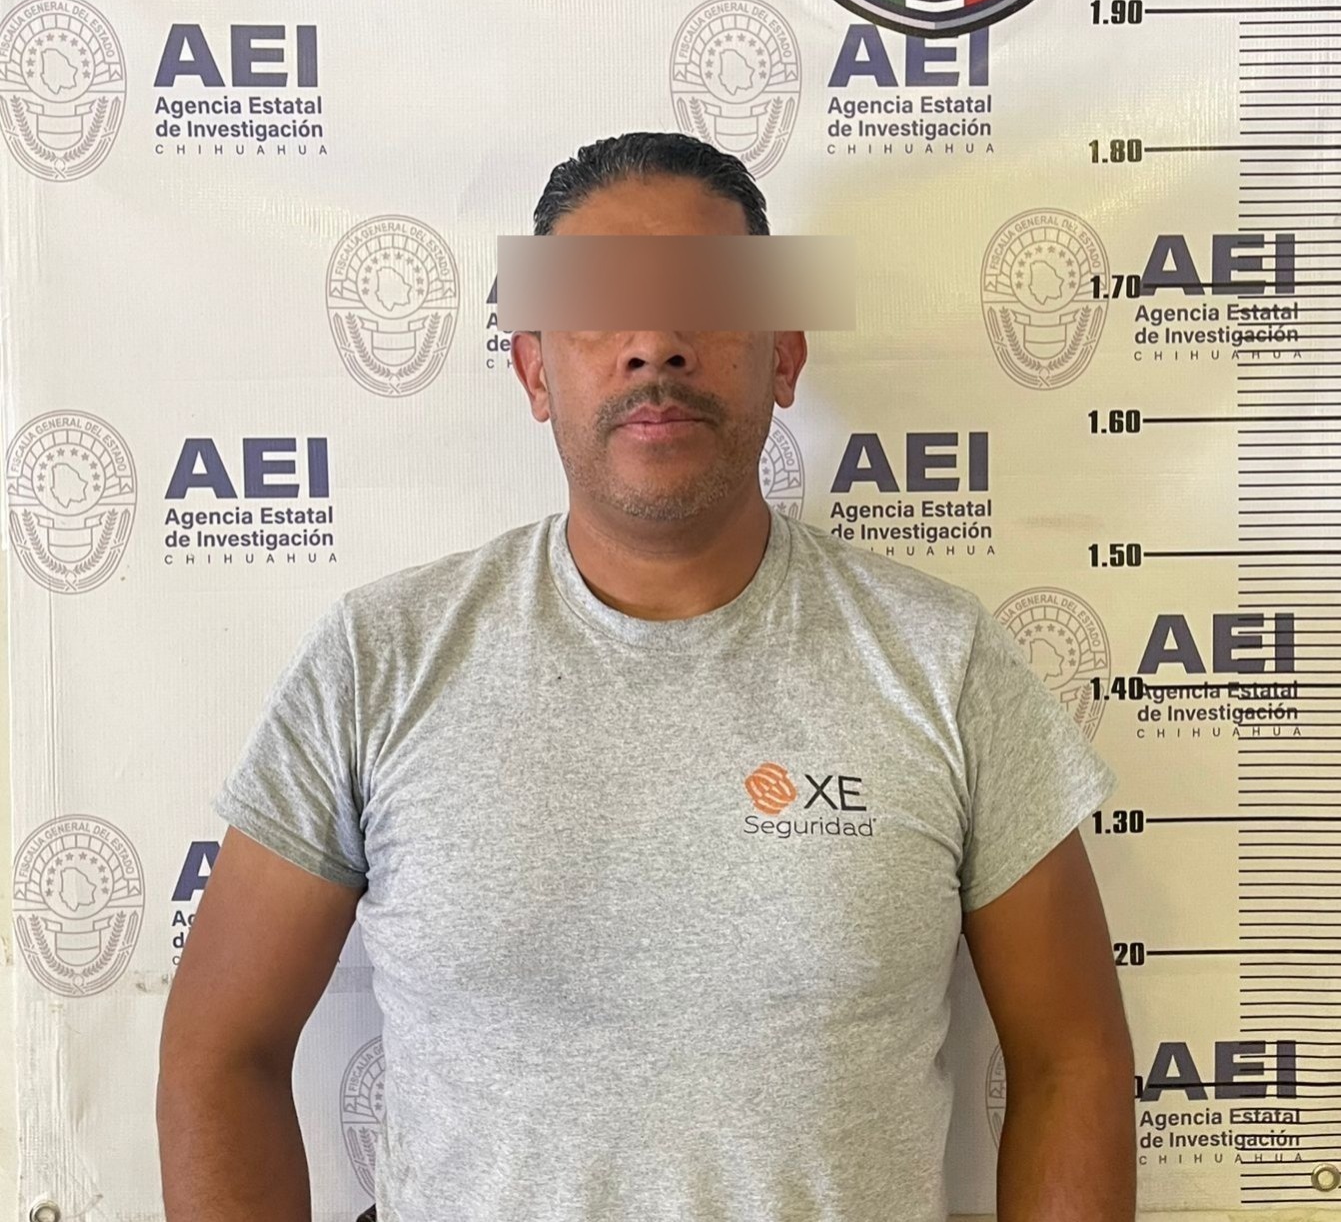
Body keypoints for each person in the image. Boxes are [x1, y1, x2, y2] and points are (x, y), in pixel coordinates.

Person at [157, 131, 1137, 1222]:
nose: (653, 345)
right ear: (536, 370)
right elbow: (220, 1052)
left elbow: (1072, 1061)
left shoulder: (942, 662)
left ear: (784, 355)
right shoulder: (378, 659)